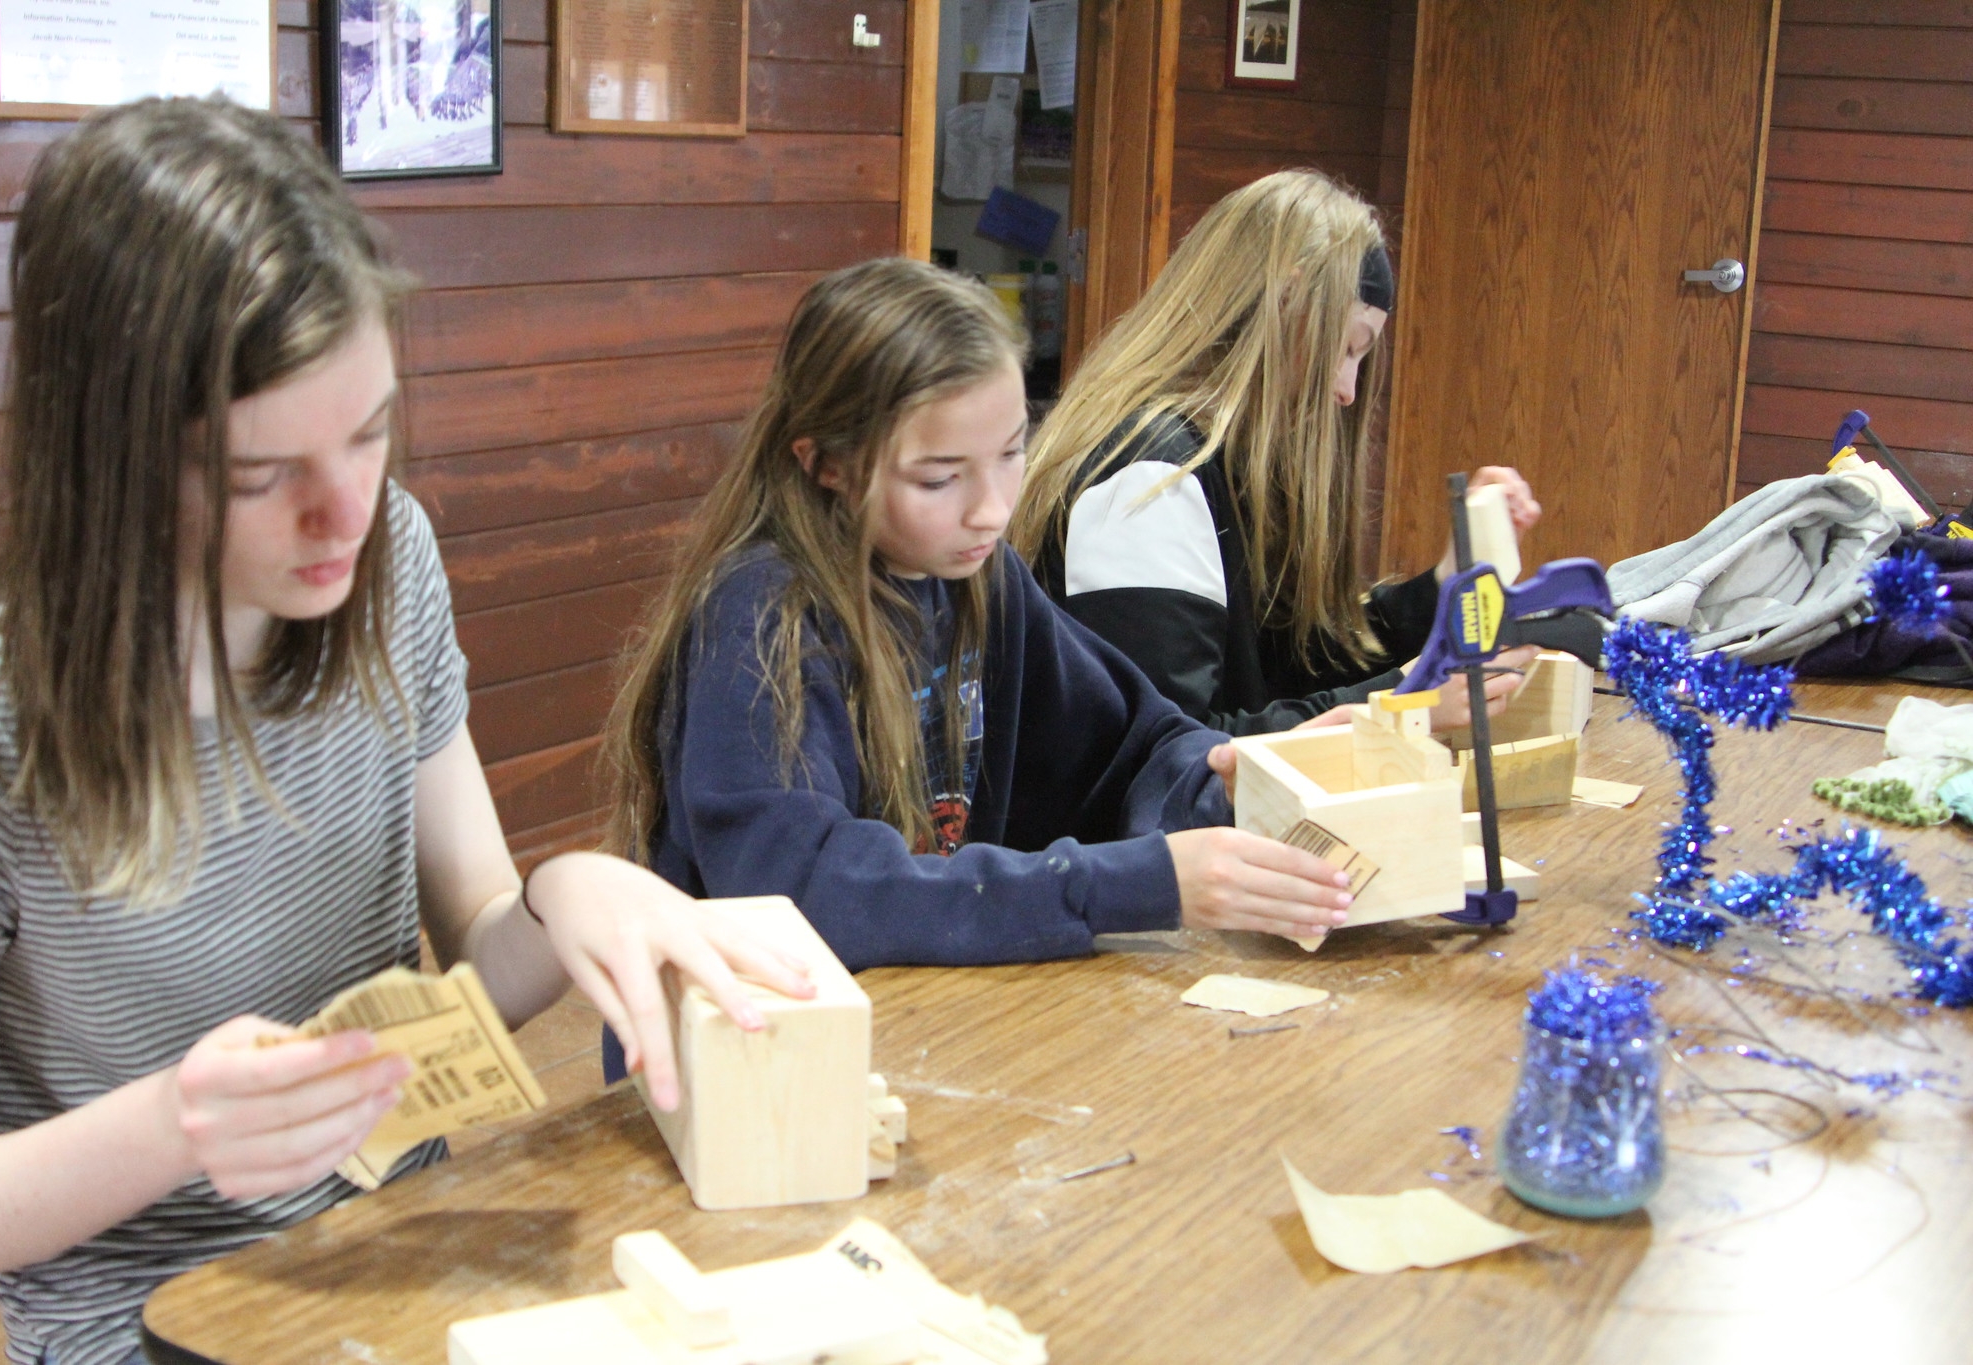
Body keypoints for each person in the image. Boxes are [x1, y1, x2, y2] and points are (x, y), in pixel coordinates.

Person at [0, 97, 807, 1365]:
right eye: (257, 475)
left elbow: (469, 977)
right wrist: (177, 1127)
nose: (343, 510)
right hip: (148, 1327)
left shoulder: (388, 554)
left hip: (411, 1255)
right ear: (110, 458)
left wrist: (567, 899)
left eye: (371, 428)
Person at [599, 257, 1360, 987]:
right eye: (939, 477)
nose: (991, 508)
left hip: (913, 1011)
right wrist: (1135, 884)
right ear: (825, 462)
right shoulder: (762, 618)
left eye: (1010, 453)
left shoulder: (980, 575)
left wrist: (1234, 777)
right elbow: (810, 891)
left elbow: (1129, 745)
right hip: (747, 1049)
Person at [1013, 170, 1543, 737]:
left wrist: (1443, 582)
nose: (1348, 391)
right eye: (1345, 349)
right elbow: (1170, 756)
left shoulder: (1228, 467)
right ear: (1284, 303)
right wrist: (1402, 707)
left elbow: (1299, 668)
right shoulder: (1151, 479)